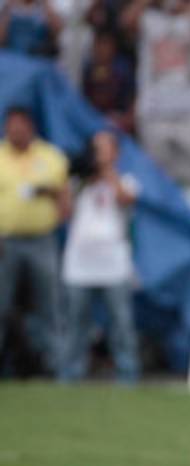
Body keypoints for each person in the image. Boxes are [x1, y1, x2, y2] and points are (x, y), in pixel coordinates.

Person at [60, 131, 140, 382]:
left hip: (113, 263)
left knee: (121, 321)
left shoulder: (126, 180)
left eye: (105, 149)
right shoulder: (79, 182)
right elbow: (63, 213)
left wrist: (105, 171)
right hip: (80, 263)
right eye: (96, 149)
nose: (100, 154)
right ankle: (71, 372)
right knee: (76, 322)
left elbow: (125, 199)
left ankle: (127, 372)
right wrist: (72, 178)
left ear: (115, 153)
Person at [0, 107, 70, 376]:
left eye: (21, 124)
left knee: (50, 306)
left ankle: (58, 369)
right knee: (1, 306)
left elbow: (65, 198)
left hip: (42, 240)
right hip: (5, 242)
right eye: (11, 125)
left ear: (31, 126)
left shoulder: (50, 156)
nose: (16, 129)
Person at [121, 0, 190, 185]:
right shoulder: (147, 18)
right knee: (155, 176)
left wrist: (188, 11)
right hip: (156, 112)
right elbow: (125, 24)